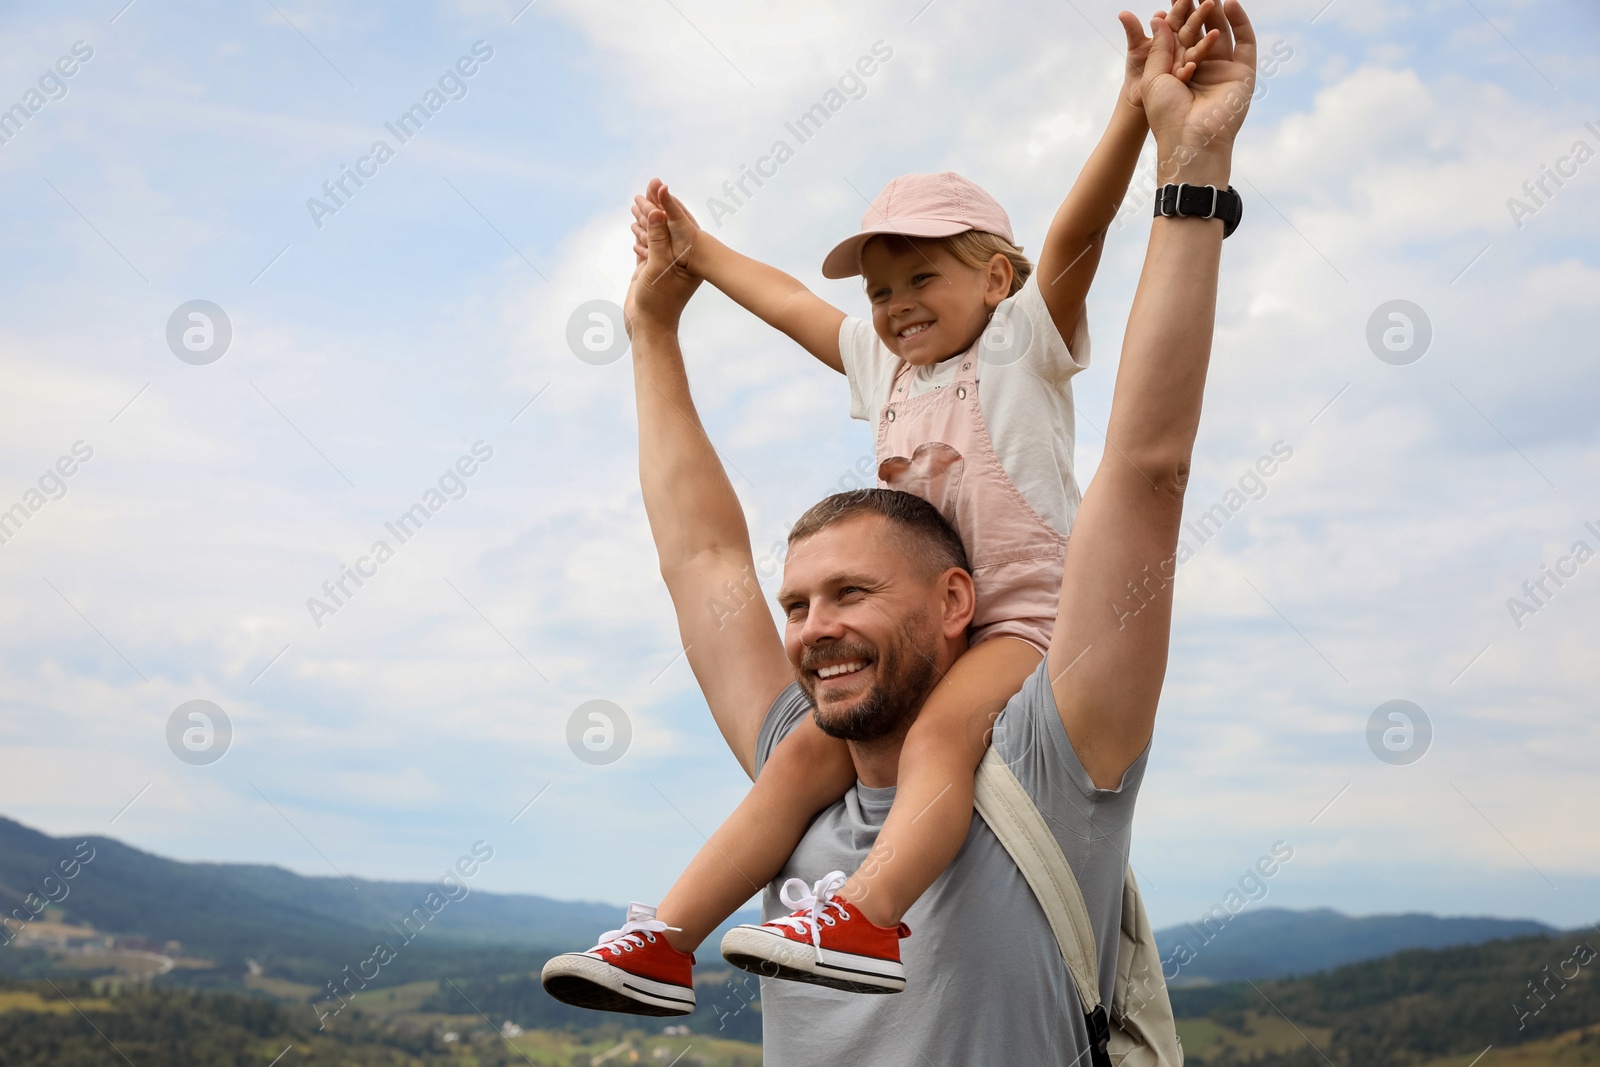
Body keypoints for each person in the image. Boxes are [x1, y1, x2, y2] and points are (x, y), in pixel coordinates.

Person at [547, 2, 1257, 1060]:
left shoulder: (1021, 341)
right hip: (962, 648)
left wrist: (1148, 130)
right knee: (795, 763)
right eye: (797, 602)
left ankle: (870, 910)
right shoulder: (887, 366)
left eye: (922, 275)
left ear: (996, 278)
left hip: (1027, 623)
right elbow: (706, 536)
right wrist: (676, 280)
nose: (893, 304)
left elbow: (1092, 295)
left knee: (936, 736)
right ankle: (668, 938)